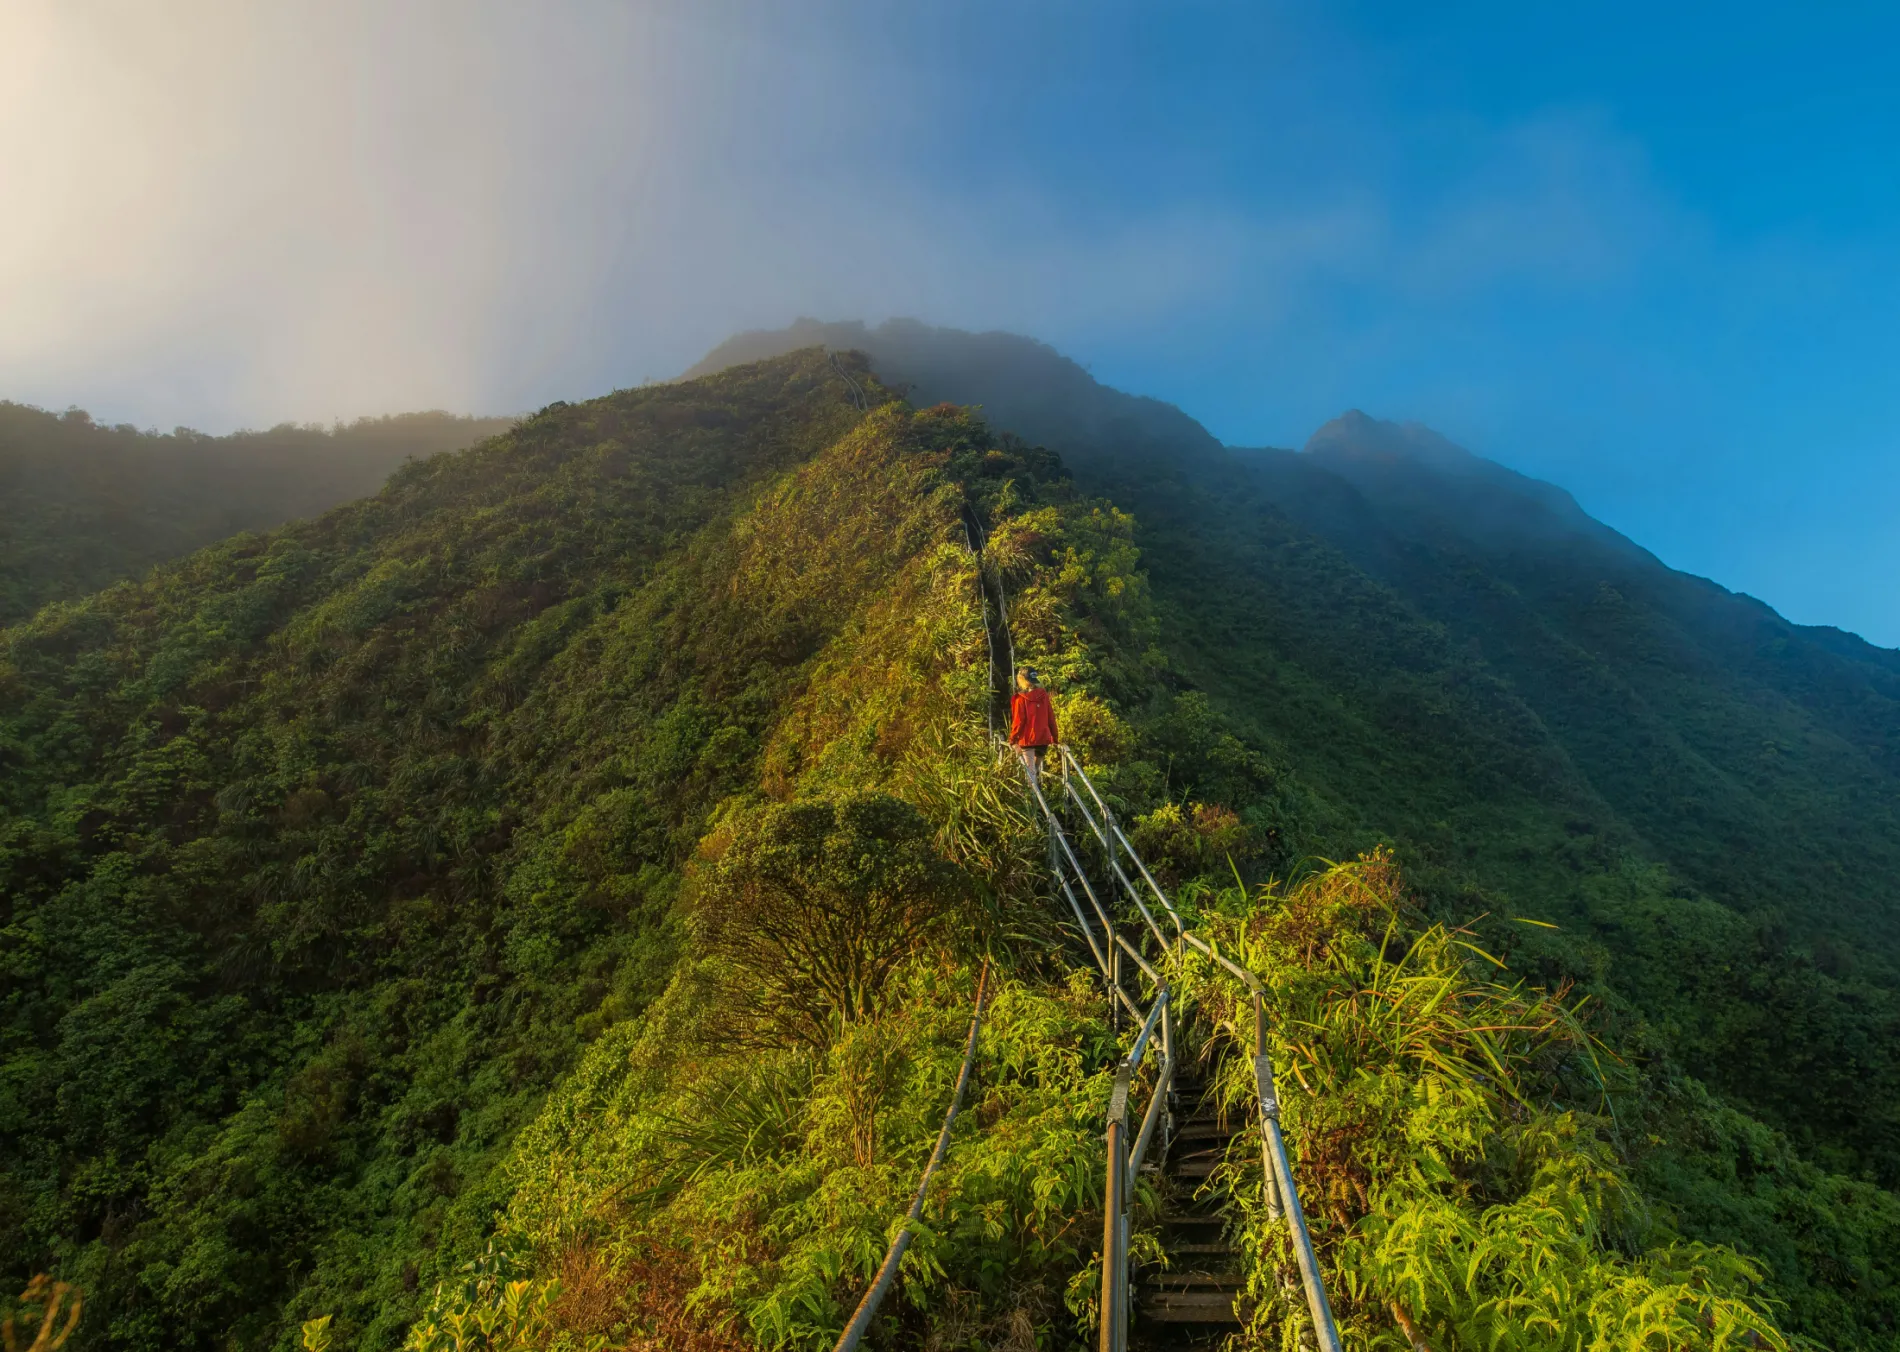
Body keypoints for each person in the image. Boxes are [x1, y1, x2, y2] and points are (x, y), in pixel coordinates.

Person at [1009, 666, 1059, 782]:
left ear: (1021, 679)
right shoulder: (1044, 696)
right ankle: (1037, 793)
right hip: (1043, 739)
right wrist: (1055, 738)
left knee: (1030, 773)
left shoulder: (1020, 699)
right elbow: (1051, 717)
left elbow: (1018, 722)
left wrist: (1012, 740)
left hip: (1027, 740)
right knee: (1034, 771)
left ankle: (1032, 798)